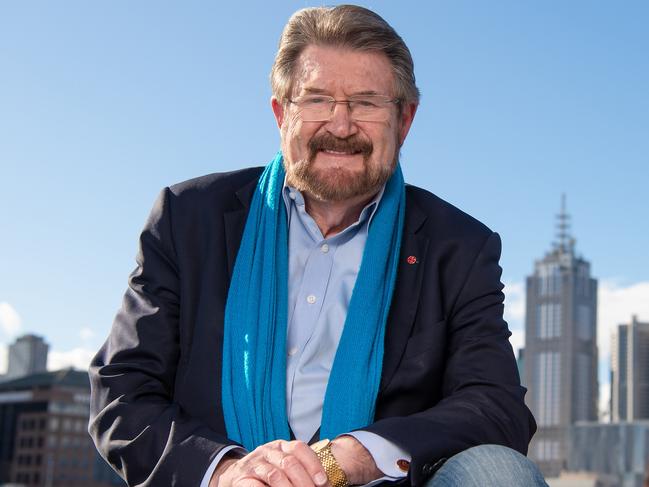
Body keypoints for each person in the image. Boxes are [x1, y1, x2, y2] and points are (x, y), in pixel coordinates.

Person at [89, 5, 546, 487]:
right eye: (317, 100)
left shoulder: (459, 246)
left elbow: (495, 404)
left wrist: (352, 457)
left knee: (500, 474)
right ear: (281, 112)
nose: (341, 125)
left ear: (405, 120)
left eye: (367, 103)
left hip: (380, 482)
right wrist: (227, 473)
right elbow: (122, 390)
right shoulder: (188, 217)